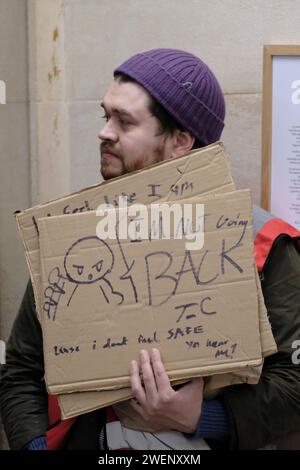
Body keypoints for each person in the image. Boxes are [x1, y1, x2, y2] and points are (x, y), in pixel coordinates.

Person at [1, 48, 300, 450]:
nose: (104, 132)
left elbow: (295, 387)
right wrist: (37, 447)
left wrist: (200, 417)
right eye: (105, 115)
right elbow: (21, 370)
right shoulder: (72, 238)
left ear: (180, 140)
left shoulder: (259, 242)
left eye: (124, 121)